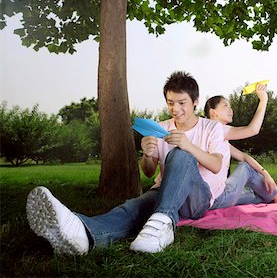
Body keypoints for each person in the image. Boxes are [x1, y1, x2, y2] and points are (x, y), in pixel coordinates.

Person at [26, 71, 231, 255]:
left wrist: (188, 146)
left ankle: (164, 223)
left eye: (181, 103)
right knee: (131, 208)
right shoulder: (160, 127)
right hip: (163, 190)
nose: (175, 109)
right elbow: (149, 173)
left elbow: (216, 165)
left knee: (182, 155)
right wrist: (147, 154)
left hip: (197, 198)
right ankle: (83, 234)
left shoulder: (212, 128)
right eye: (170, 102)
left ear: (195, 101)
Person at [204, 94, 277, 208]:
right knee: (245, 168)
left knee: (256, 196)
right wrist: (263, 100)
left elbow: (243, 156)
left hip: (214, 199)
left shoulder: (212, 136)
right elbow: (252, 130)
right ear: (213, 112)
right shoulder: (217, 128)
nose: (231, 110)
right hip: (217, 197)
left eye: (230, 106)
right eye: (225, 105)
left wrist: (265, 173)